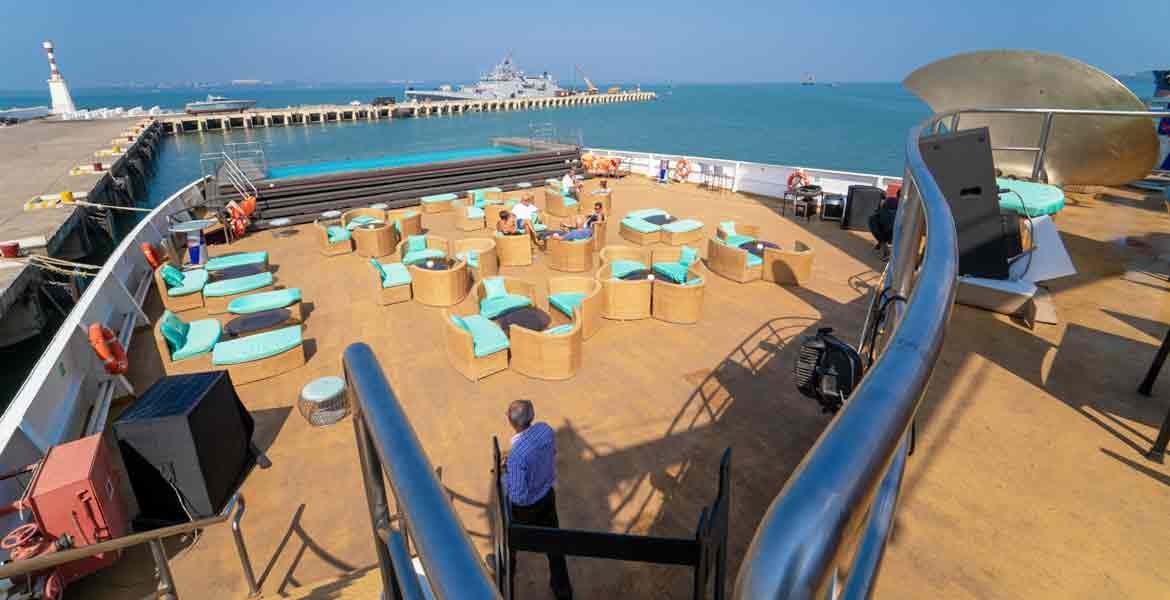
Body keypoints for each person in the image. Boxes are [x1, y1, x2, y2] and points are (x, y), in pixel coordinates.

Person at [504, 400, 573, 600]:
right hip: (547, 497)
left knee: (510, 541)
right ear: (532, 416)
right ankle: (562, 590)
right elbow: (551, 453)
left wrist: (505, 476)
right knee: (555, 545)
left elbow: (518, 496)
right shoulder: (545, 430)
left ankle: (507, 570)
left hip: (525, 509)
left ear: (511, 422)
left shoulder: (516, 456)